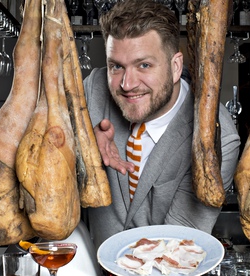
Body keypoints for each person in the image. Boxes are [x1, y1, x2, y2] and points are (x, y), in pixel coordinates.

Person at [82, 0, 240, 248]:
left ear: (175, 66)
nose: (127, 84)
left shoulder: (217, 138)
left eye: (144, 65)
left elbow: (178, 244)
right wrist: (82, 144)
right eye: (117, 67)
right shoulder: (93, 90)